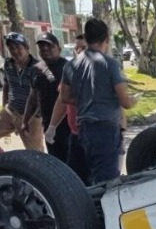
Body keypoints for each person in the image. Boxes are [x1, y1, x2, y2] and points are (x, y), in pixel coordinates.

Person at [60, 18, 137, 183]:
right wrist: (134, 100)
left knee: (87, 178)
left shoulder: (71, 65)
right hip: (106, 129)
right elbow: (125, 102)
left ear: (87, 39)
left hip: (83, 129)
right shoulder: (109, 64)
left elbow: (64, 97)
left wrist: (85, 99)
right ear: (106, 39)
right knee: (107, 182)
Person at [47, 34, 88, 183]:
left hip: (97, 135)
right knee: (75, 179)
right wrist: (52, 126)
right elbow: (62, 100)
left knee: (101, 178)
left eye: (84, 47)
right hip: (76, 134)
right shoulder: (71, 70)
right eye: (77, 48)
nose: (79, 51)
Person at [24, 32, 69, 162]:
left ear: (59, 49)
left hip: (68, 126)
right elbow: (32, 97)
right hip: (48, 124)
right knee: (55, 161)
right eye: (42, 47)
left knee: (72, 162)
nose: (45, 49)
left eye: (49, 46)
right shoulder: (36, 69)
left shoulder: (69, 68)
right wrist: (25, 120)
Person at [0, 32, 44, 151]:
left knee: (36, 155)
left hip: (31, 117)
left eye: (18, 47)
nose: (15, 51)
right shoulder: (8, 64)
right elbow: (6, 86)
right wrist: (4, 107)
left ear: (27, 48)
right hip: (10, 112)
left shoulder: (39, 67)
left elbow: (48, 92)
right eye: (11, 48)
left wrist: (38, 116)